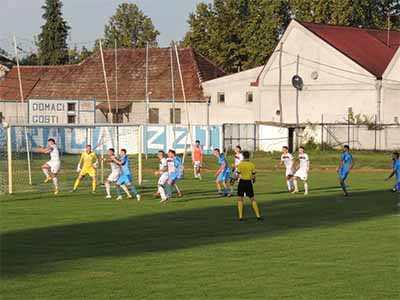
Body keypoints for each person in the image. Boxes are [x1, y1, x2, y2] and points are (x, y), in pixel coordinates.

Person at [236, 151, 262, 221]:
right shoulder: (252, 165)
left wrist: (234, 180)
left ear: (243, 156)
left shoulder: (240, 164)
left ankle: (240, 217)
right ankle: (258, 216)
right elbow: (254, 176)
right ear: (249, 156)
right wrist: (253, 181)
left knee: (240, 198)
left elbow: (238, 174)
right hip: (248, 182)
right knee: (252, 199)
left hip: (242, 182)